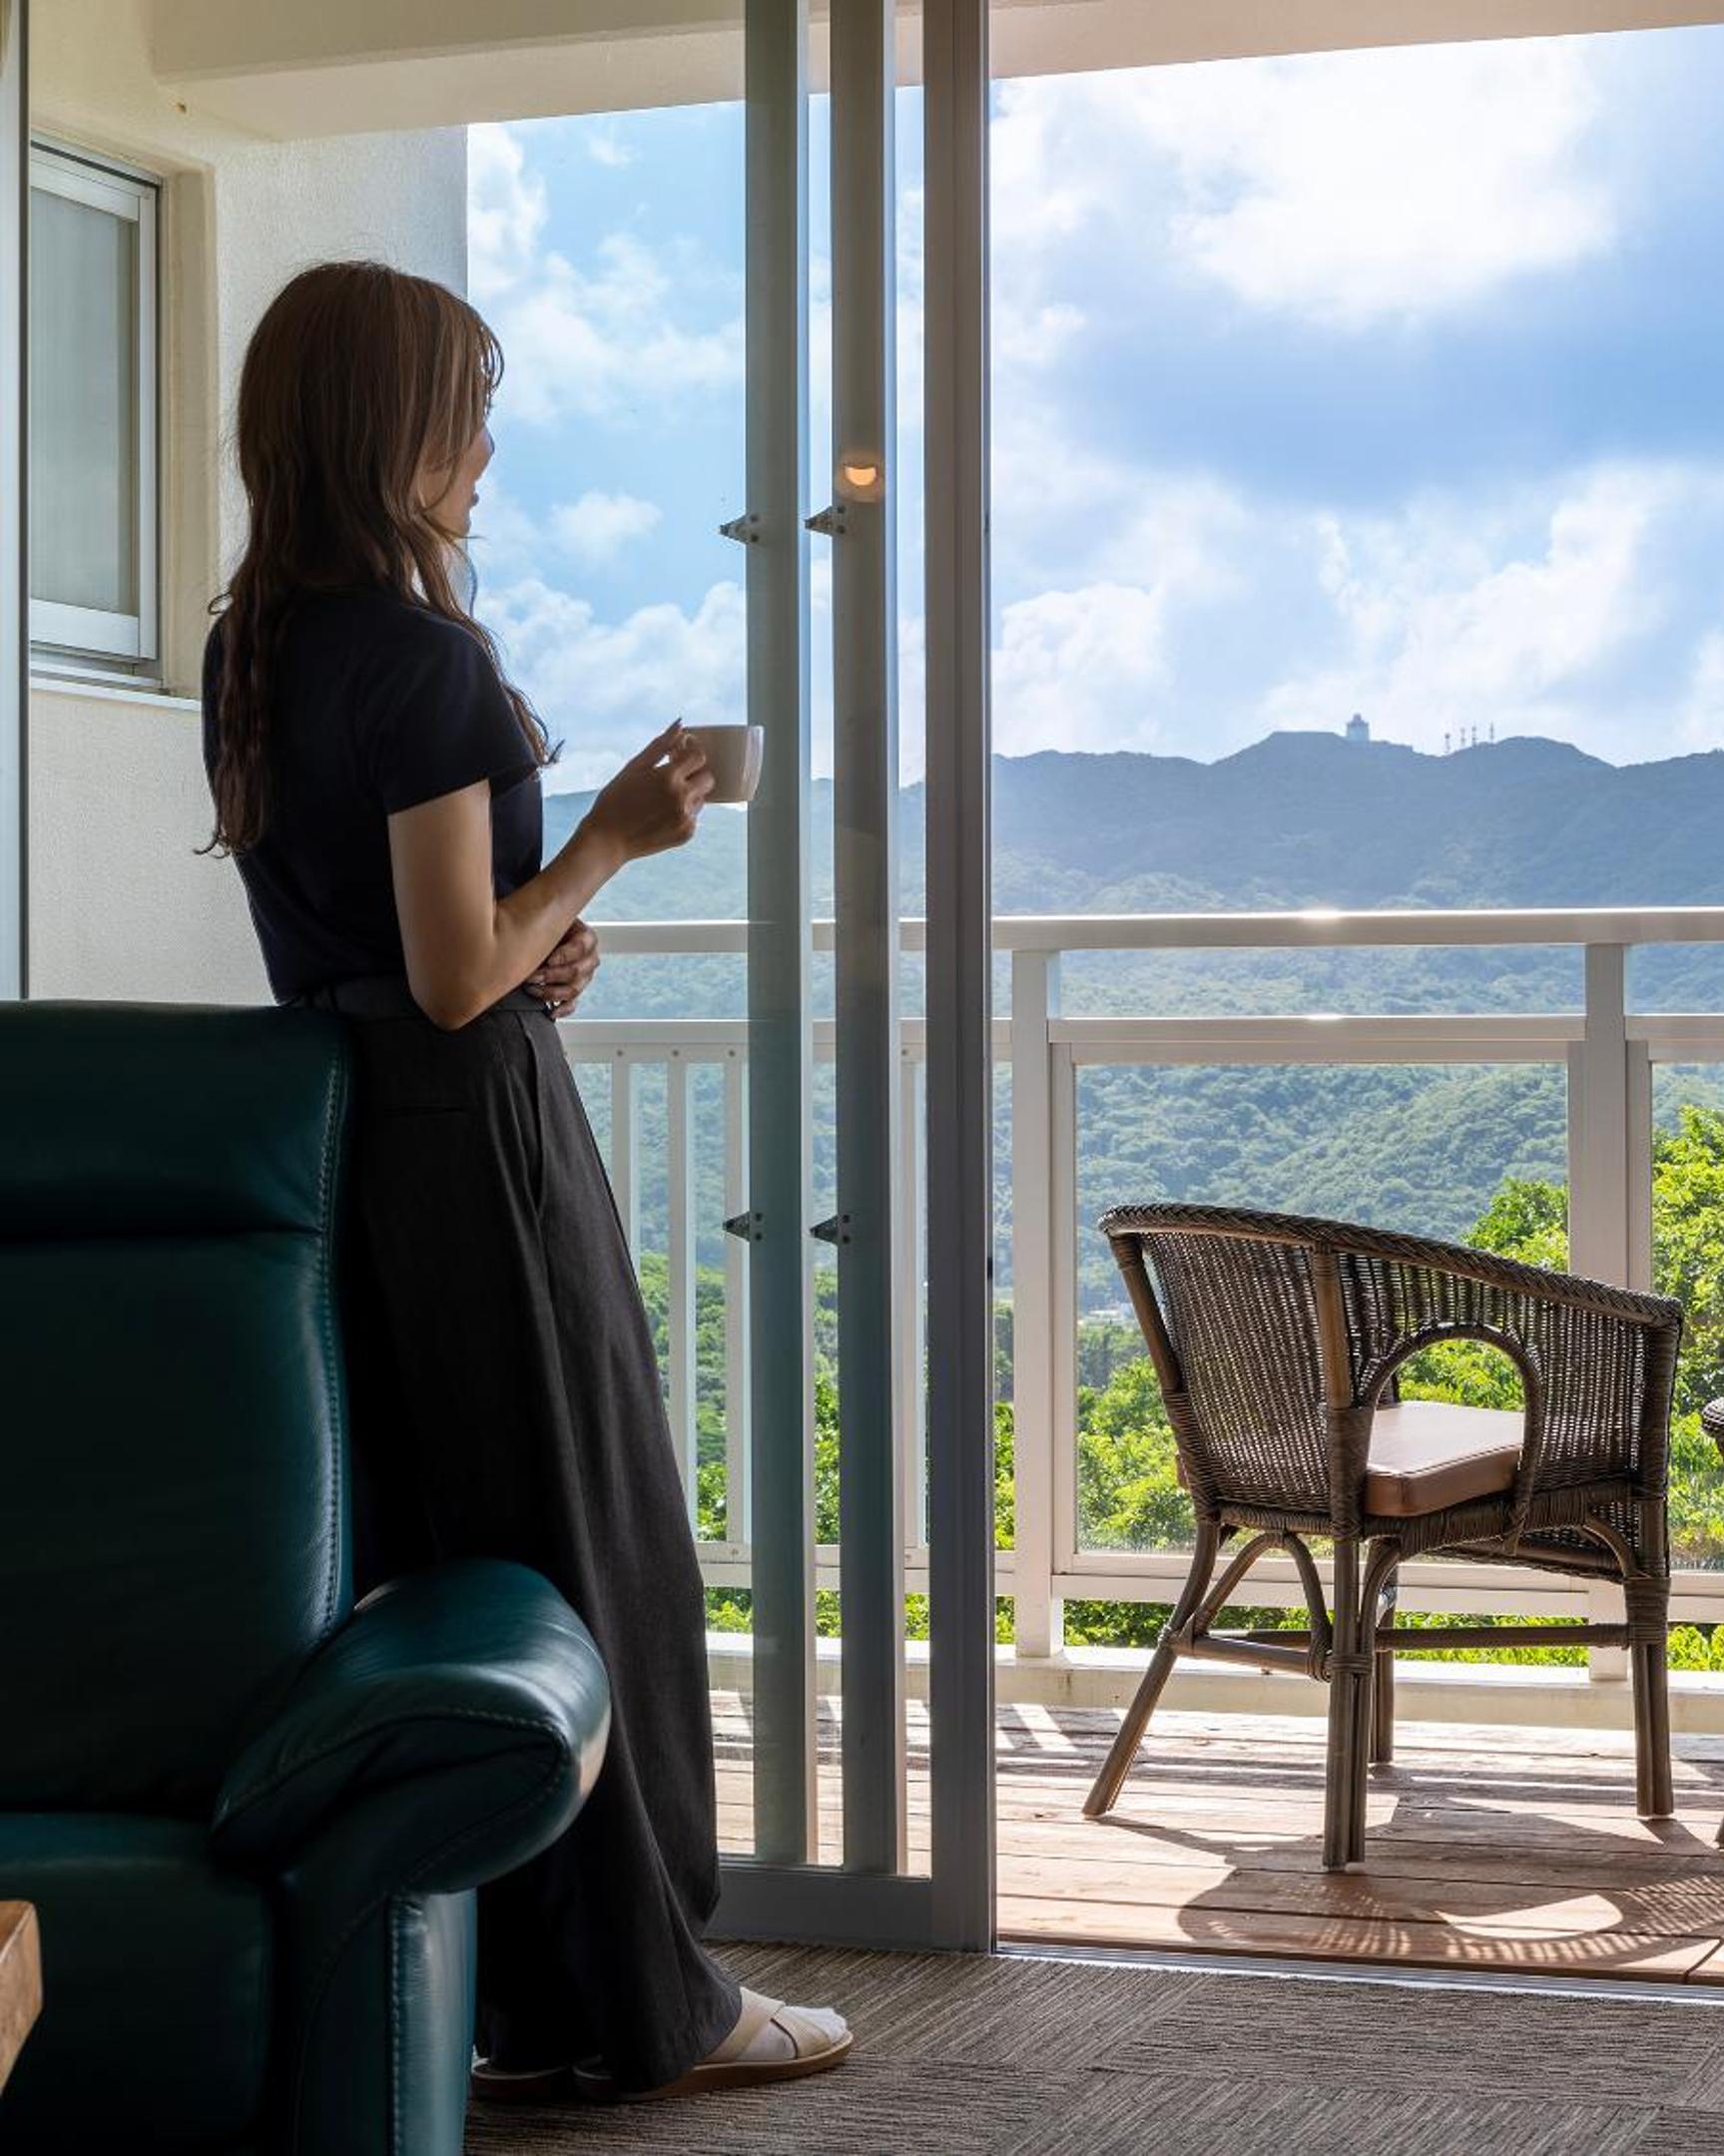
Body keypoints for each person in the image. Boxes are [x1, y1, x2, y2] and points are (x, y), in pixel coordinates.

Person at [200, 261, 851, 2103]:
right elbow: (452, 976)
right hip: (473, 1146)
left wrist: (526, 935)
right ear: (390, 429)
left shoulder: (257, 653)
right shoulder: (426, 665)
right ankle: (653, 2007)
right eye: (465, 411)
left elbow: (396, 948)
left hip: (343, 1142)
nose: (485, 448)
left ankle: (523, 1999)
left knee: (445, 1555)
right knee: (589, 1546)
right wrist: (613, 845)